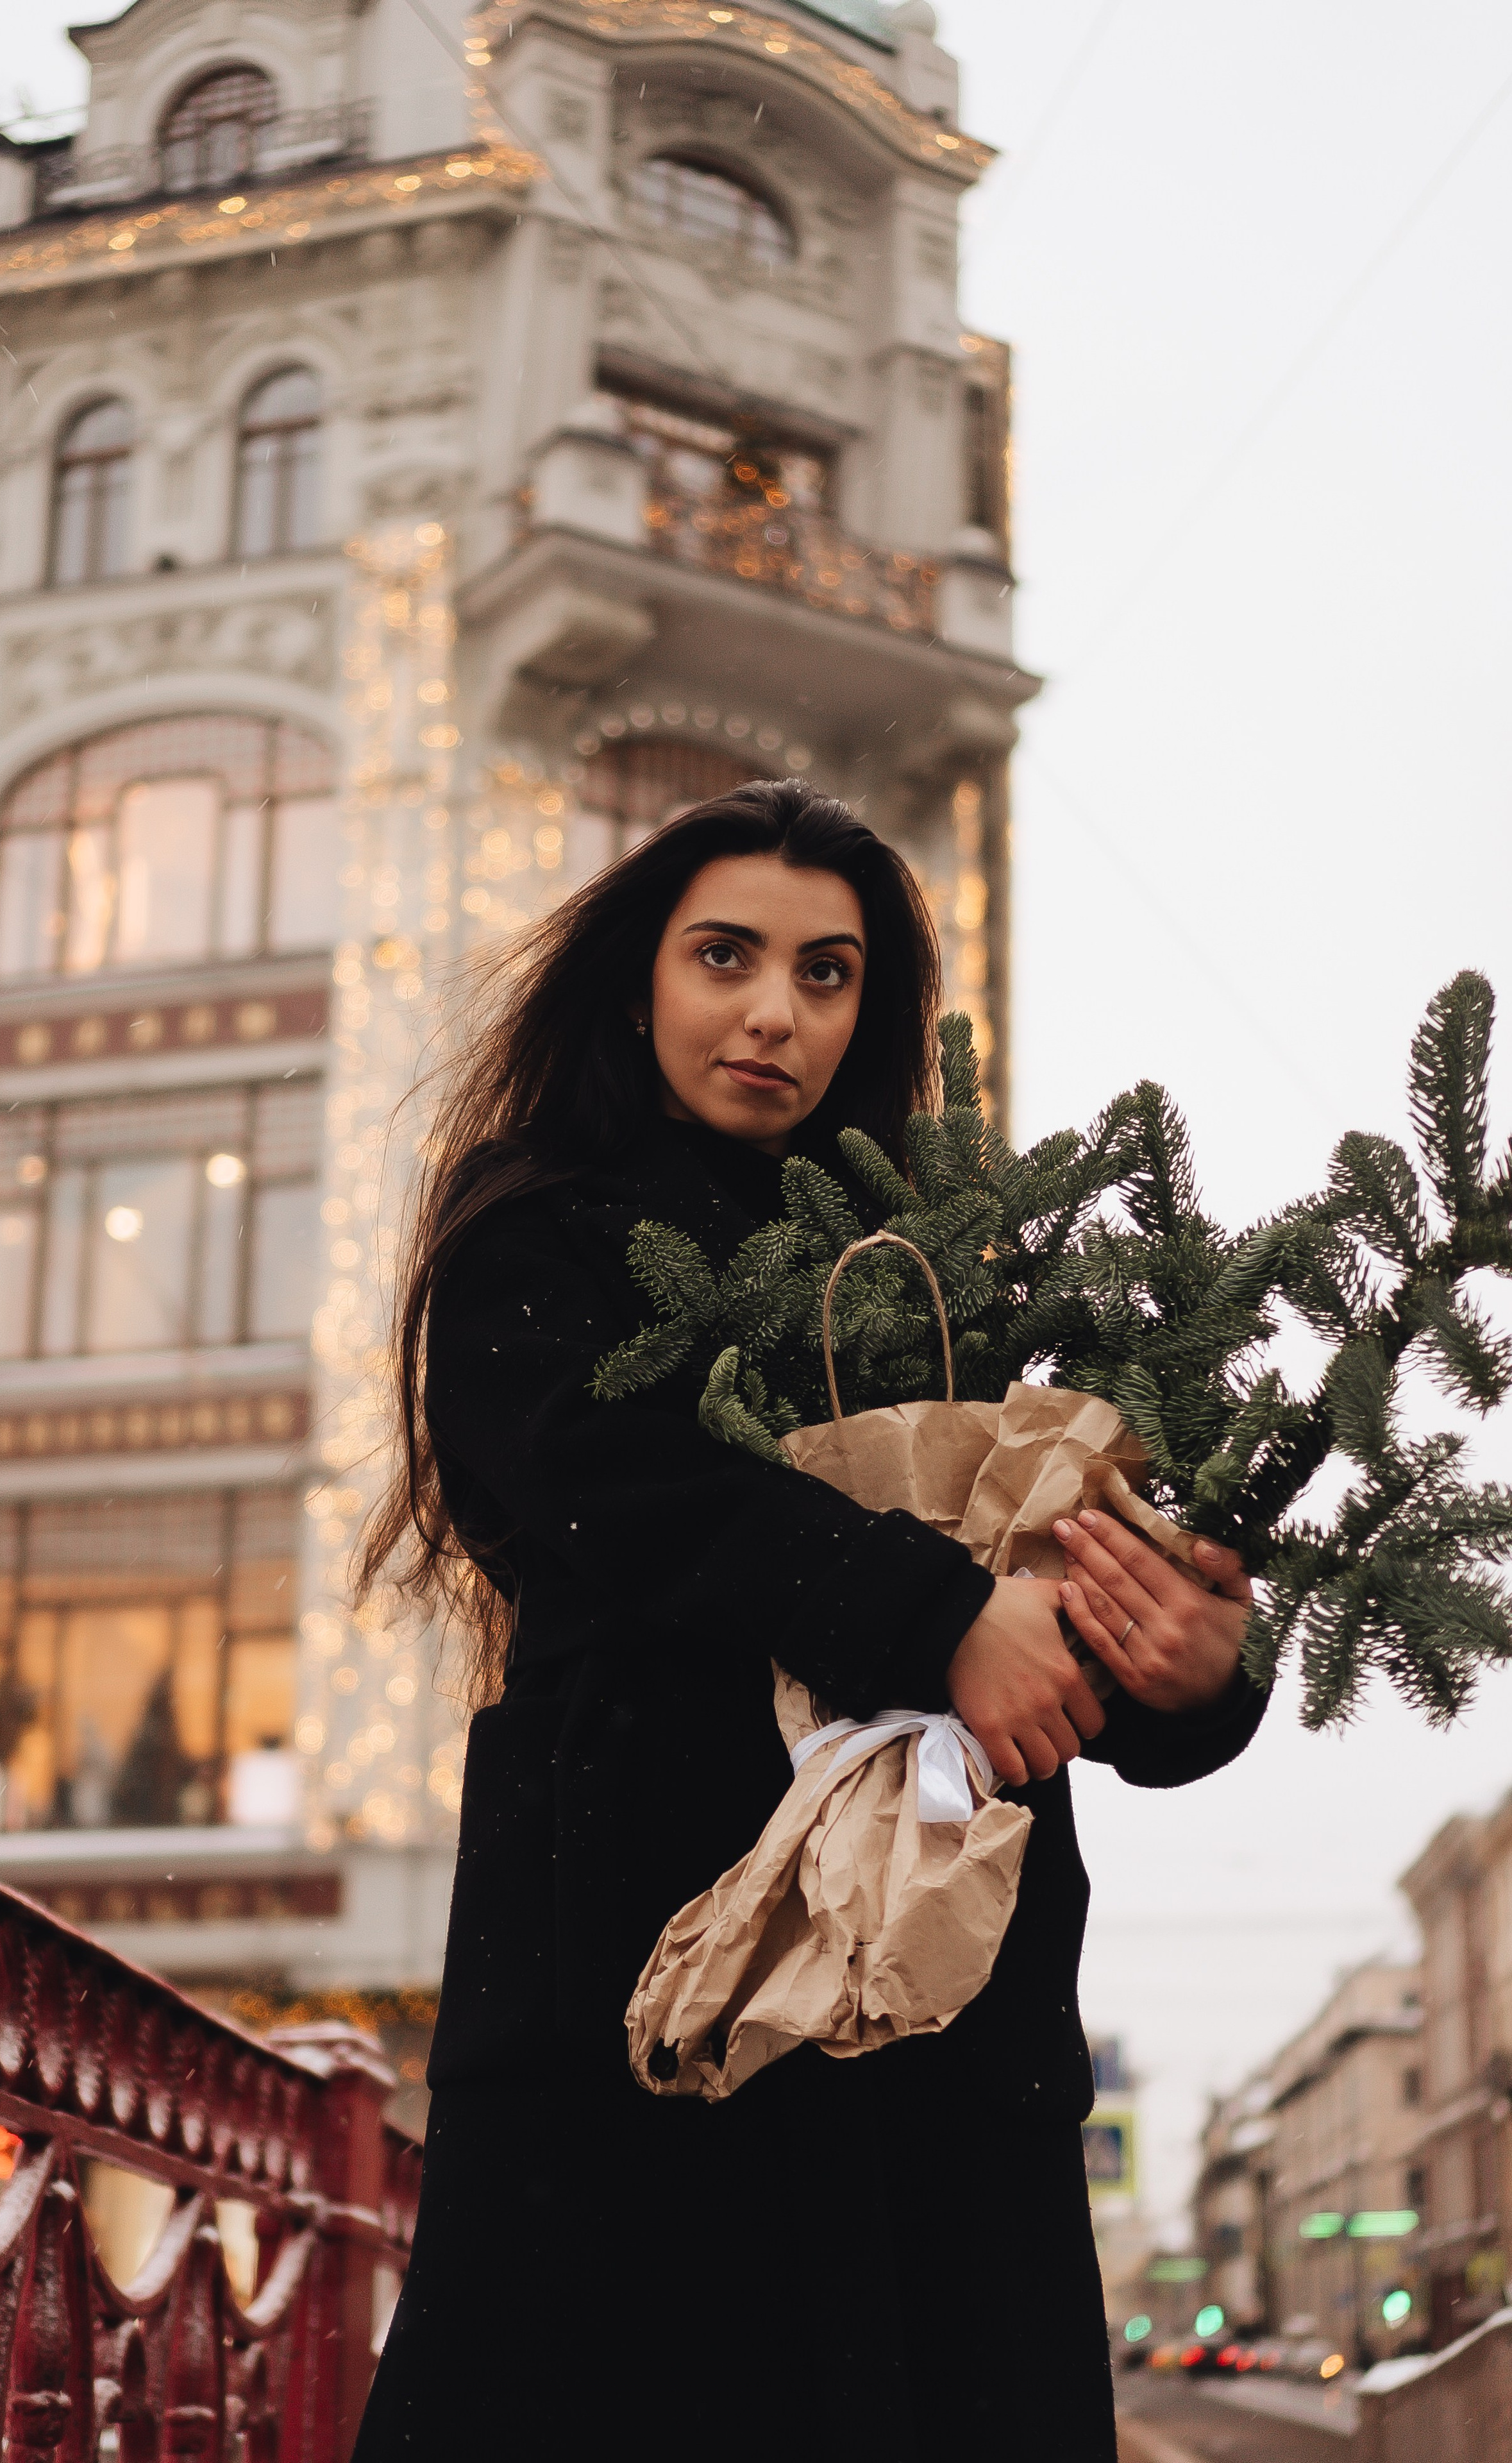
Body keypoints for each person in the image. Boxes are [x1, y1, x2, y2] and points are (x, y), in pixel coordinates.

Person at [353, 779, 1265, 2459]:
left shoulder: (947, 1279)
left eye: (829, 973)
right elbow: (595, 1488)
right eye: (728, 956)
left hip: (939, 2042)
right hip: (635, 2023)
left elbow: (1069, 1586)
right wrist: (934, 1619)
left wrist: (1186, 1678)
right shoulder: (533, 1225)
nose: (777, 1012)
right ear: (641, 979)